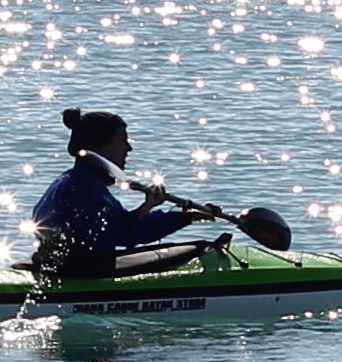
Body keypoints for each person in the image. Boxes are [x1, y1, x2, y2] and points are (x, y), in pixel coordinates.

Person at [30, 107, 215, 278]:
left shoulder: (70, 180)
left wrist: (185, 217)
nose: (129, 148)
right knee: (200, 249)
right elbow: (124, 234)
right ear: (101, 146)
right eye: (122, 140)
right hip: (78, 273)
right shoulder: (85, 186)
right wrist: (147, 207)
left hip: (61, 265)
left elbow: (119, 227)